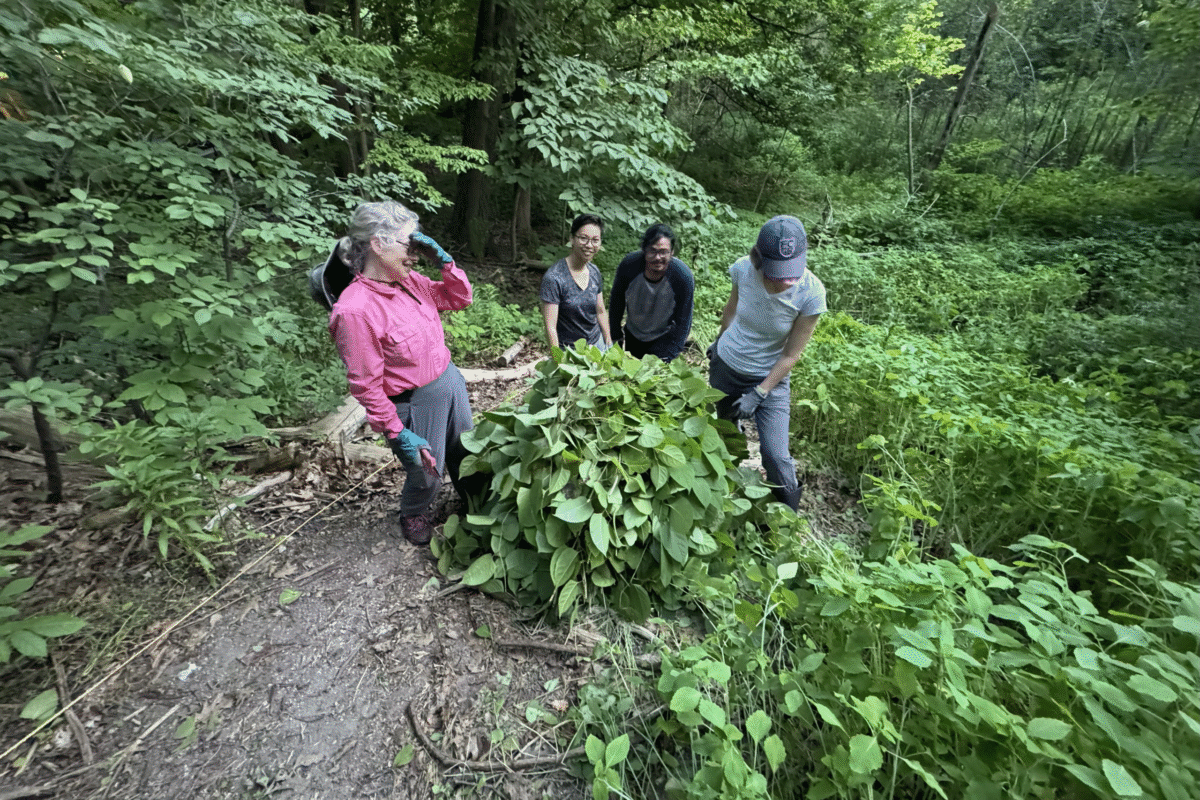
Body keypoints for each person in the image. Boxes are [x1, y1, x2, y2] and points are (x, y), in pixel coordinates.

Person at [327, 201, 477, 545]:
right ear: (378, 244)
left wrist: (445, 261)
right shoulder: (355, 311)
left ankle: (475, 500)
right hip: (415, 401)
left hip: (449, 381)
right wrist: (396, 432)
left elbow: (460, 298)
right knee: (426, 473)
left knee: (465, 450)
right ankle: (414, 511)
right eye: (409, 245)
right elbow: (365, 386)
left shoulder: (412, 282)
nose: (415, 255)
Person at [708, 215, 826, 511]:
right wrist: (719, 342)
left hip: (770, 378)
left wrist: (760, 392)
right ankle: (726, 488)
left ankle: (786, 516)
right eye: (777, 272)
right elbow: (731, 310)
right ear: (758, 258)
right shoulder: (742, 270)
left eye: (791, 271)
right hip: (726, 366)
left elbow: (791, 355)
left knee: (776, 455)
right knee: (725, 429)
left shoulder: (811, 294)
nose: (786, 280)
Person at [608, 223, 694, 362]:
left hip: (663, 337)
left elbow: (684, 319)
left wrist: (673, 352)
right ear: (644, 250)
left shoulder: (682, 276)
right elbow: (617, 301)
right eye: (652, 251)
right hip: (633, 333)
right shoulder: (630, 266)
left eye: (664, 252)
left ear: (672, 252)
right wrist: (615, 333)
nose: (658, 257)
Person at [540, 213, 613, 351]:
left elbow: (600, 311)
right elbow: (550, 327)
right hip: (569, 352)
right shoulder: (554, 278)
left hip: (597, 346)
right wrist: (558, 361)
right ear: (572, 239)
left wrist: (608, 343)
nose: (589, 245)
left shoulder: (594, 271)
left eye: (595, 240)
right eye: (583, 238)